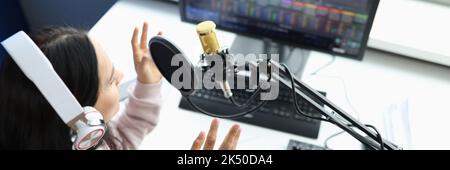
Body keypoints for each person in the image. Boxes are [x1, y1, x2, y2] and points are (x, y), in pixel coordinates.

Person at [0, 22, 241, 150]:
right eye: (111, 80)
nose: (123, 75)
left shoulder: (85, 140)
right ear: (84, 119)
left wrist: (147, 82)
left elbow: (121, 139)